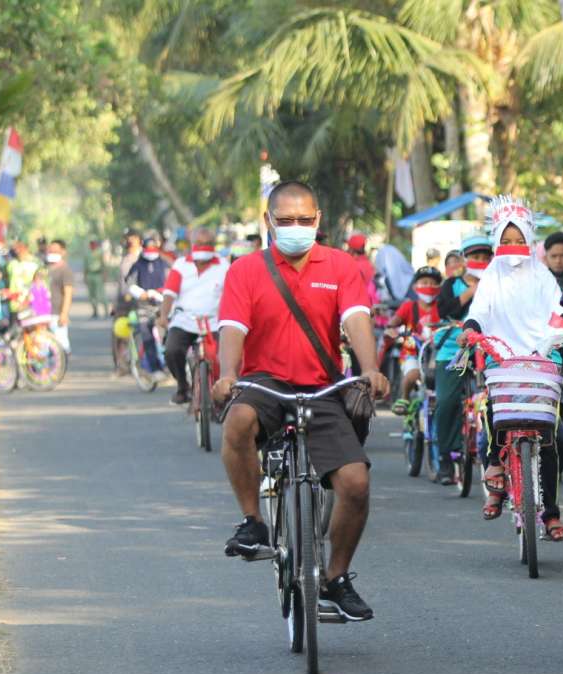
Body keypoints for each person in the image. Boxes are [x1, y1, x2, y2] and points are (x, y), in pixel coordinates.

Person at [211, 180, 391, 621]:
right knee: (237, 421)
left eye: (304, 220)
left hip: (321, 388)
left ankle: (335, 578)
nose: (295, 228)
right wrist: (228, 375)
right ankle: (253, 522)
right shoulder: (246, 270)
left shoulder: (342, 266)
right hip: (264, 383)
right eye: (285, 220)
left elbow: (357, 319)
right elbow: (233, 327)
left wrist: (369, 369)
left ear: (318, 221)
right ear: (268, 222)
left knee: (355, 483)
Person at [461, 196, 563, 540]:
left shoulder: (542, 276)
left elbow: (558, 308)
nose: (513, 246)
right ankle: (495, 469)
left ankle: (551, 514)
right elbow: (479, 310)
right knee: (496, 413)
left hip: (542, 359)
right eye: (505, 241)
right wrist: (472, 328)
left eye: (519, 239)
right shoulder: (491, 277)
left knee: (557, 439)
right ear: (496, 241)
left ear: (530, 238)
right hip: (502, 357)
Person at [432, 240, 486, 484]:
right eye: (475, 256)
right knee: (446, 401)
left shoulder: (500, 283)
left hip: (489, 348)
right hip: (454, 349)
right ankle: (446, 457)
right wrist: (471, 292)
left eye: (486, 256)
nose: (481, 261)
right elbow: (444, 310)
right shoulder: (451, 285)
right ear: (465, 259)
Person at [157, 227, 229, 404]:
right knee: (172, 350)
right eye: (199, 244)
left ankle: (223, 393)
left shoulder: (224, 266)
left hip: (214, 322)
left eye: (208, 244)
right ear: (191, 245)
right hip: (185, 321)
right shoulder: (181, 265)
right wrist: (164, 316)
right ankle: (183, 387)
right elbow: (169, 293)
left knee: (227, 356)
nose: (203, 247)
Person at [388, 266, 442, 414]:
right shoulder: (408, 307)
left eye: (433, 283)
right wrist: (392, 329)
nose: (429, 286)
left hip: (438, 352)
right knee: (413, 374)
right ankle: (404, 398)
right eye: (424, 282)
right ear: (415, 287)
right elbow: (394, 322)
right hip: (413, 352)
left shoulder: (443, 306)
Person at [44, 240, 75, 353]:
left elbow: (68, 293)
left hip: (57, 313)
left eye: (56, 251)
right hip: (44, 312)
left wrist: (64, 314)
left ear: (63, 252)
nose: (52, 252)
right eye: (50, 250)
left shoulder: (65, 270)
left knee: (62, 346)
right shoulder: (45, 269)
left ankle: (61, 368)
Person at [346, 232, 378, 308]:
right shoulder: (368, 263)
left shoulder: (354, 264)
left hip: (358, 304)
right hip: (370, 303)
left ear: (351, 249)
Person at [6, 241, 38, 315]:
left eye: (19, 247)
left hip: (30, 306)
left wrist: (27, 300)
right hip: (14, 306)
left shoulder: (36, 263)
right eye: (15, 248)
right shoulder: (11, 264)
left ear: (26, 247)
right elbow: (6, 280)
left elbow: (39, 284)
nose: (17, 250)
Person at [85, 238, 109, 319]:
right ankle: (95, 311)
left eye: (94, 243)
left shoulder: (100, 252)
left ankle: (106, 311)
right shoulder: (87, 253)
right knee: (92, 295)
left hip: (98, 274)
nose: (92, 245)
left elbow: (104, 264)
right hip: (90, 275)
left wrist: (105, 275)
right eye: (91, 243)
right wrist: (85, 277)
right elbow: (85, 266)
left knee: (101, 294)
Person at [117, 229, 142, 299]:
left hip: (140, 300)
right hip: (125, 300)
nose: (128, 241)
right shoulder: (125, 258)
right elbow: (122, 281)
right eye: (126, 239)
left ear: (138, 239)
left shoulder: (144, 256)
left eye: (131, 238)